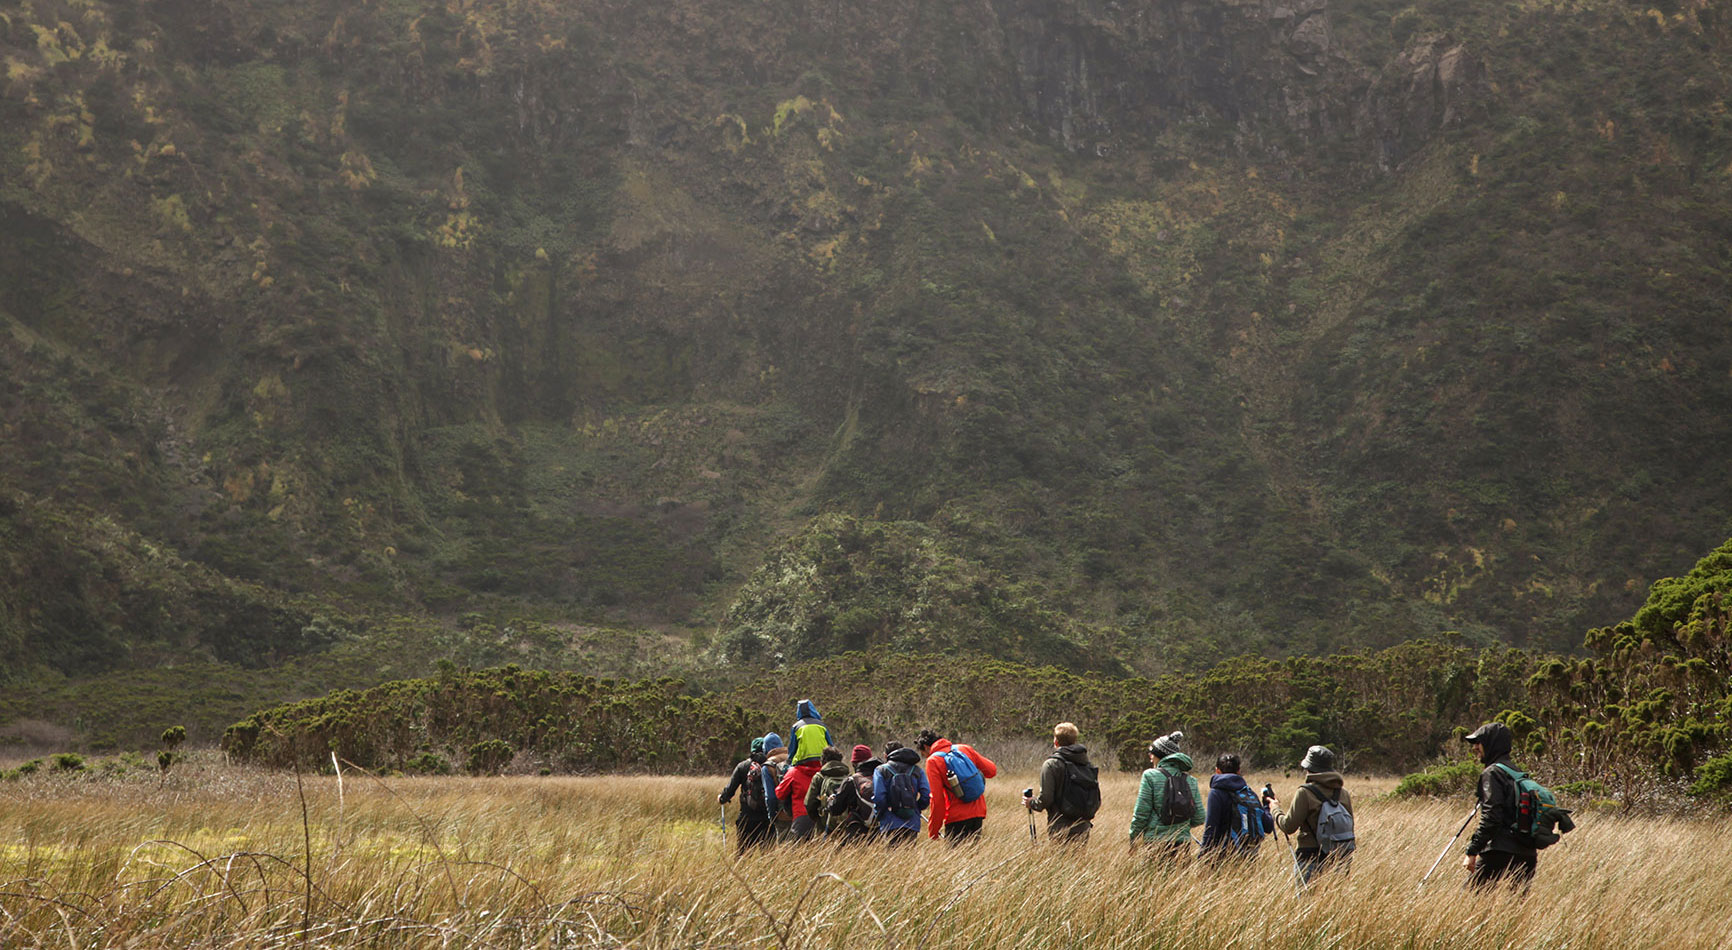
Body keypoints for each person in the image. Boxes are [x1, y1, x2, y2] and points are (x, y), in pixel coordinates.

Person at [1461, 722, 1538, 893]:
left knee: (1468, 899)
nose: (1475, 747)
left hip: (1500, 851)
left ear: (1491, 743)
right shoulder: (1517, 773)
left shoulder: (1492, 773)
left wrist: (1472, 851)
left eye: (1478, 742)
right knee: (1515, 908)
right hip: (1527, 854)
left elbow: (1491, 817)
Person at [1269, 745, 1353, 882]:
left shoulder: (1305, 793)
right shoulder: (1343, 794)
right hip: (1339, 859)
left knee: (1307, 902)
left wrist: (1275, 809)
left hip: (1309, 858)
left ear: (1308, 768)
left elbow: (1288, 827)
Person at [1129, 731, 1202, 859]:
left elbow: (1141, 813)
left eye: (1152, 752)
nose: (1150, 756)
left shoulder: (1149, 776)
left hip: (1154, 843)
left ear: (1160, 755)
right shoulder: (1191, 780)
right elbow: (1200, 817)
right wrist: (1181, 827)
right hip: (1182, 844)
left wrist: (1133, 837)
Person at [918, 729, 998, 844]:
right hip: (978, 812)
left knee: (957, 859)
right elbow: (992, 771)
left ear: (926, 747)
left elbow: (937, 800)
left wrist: (933, 831)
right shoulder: (964, 749)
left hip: (955, 817)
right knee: (973, 857)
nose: (925, 757)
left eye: (923, 754)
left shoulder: (933, 761)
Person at [1024, 721, 1099, 844]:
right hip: (1083, 824)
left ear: (1056, 742)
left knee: (1060, 861)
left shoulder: (1051, 764)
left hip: (1059, 824)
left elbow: (1046, 798)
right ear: (1074, 740)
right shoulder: (1086, 764)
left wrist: (1032, 803)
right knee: (1079, 862)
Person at [1199, 752, 1269, 864]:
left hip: (1222, 856)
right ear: (1238, 771)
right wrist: (1267, 806)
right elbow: (1268, 826)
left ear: (1217, 770)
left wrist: (1202, 857)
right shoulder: (1248, 792)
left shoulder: (1216, 793)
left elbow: (1211, 828)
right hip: (1249, 855)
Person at [718, 736, 774, 853]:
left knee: (742, 854)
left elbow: (730, 789)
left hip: (747, 817)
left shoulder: (742, 766)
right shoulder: (771, 766)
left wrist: (722, 798)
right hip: (767, 818)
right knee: (768, 856)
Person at [874, 740, 930, 847]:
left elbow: (879, 797)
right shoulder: (917, 770)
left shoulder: (880, 770)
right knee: (909, 858)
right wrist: (916, 808)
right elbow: (926, 795)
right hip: (912, 822)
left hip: (890, 822)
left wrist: (880, 815)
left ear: (886, 756)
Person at [825, 744, 879, 842]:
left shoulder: (851, 781)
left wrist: (830, 802)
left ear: (854, 763)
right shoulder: (881, 777)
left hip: (856, 833)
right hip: (880, 831)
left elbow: (836, 809)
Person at [776, 739, 824, 841]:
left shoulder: (793, 773)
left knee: (797, 851)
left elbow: (780, 794)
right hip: (820, 818)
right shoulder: (822, 771)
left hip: (800, 817)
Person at [805, 746, 853, 837]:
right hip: (846, 828)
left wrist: (819, 818)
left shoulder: (819, 777)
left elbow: (809, 803)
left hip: (823, 828)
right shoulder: (849, 777)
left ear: (823, 761)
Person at [761, 733, 792, 842]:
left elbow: (770, 797)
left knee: (784, 851)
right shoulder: (793, 759)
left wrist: (772, 816)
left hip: (782, 815)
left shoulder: (768, 766)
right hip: (800, 812)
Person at [788, 699, 834, 767]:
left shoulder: (796, 727)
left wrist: (789, 761)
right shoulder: (821, 725)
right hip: (822, 760)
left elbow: (792, 749)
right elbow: (830, 745)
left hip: (803, 761)